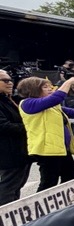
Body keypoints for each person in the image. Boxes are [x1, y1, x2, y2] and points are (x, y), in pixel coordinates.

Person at [17, 76, 74, 191]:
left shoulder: (53, 106)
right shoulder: (27, 103)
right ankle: (40, 207)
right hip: (47, 150)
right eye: (45, 87)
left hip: (61, 148)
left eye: (50, 86)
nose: (50, 88)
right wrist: (69, 82)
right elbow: (56, 98)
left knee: (71, 177)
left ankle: (67, 205)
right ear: (33, 89)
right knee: (49, 183)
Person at [0, 69, 31, 204]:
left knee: (17, 185)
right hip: (8, 152)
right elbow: (3, 126)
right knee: (8, 187)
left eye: (10, 80)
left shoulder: (8, 99)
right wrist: (30, 128)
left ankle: (13, 214)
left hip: (19, 150)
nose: (10, 83)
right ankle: (5, 218)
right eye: (5, 80)